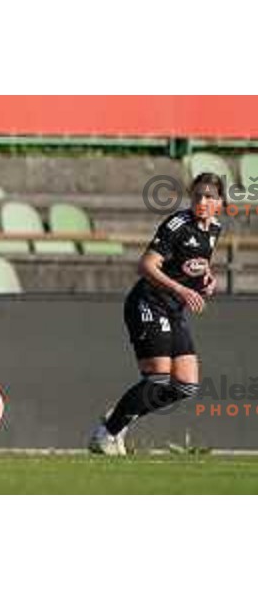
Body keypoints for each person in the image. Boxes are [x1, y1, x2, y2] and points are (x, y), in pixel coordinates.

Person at [89, 173, 224, 455]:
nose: (202, 201)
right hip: (148, 302)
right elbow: (146, 266)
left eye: (209, 196)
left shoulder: (214, 230)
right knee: (158, 378)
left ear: (219, 203)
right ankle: (105, 435)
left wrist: (208, 280)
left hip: (173, 308)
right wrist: (182, 290)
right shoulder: (177, 225)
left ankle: (120, 415)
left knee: (185, 386)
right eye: (197, 195)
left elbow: (197, 264)